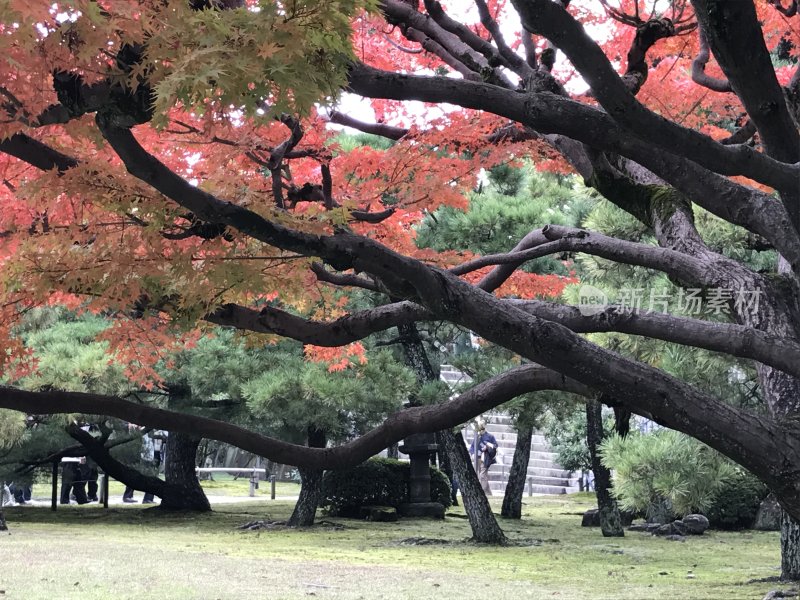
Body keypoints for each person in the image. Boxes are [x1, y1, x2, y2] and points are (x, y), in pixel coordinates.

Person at [470, 420, 498, 496]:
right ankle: (489, 493)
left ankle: (481, 493)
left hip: (486, 458)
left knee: (482, 475)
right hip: (477, 458)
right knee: (482, 476)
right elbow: (472, 447)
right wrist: (472, 454)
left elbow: (495, 446)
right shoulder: (477, 436)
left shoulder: (490, 436)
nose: (481, 430)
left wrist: (487, 446)